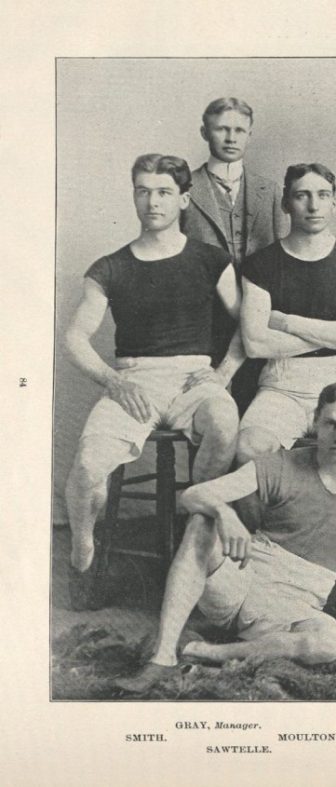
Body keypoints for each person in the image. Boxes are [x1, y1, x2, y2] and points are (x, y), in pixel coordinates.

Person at [113, 382, 336, 693]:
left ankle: (209, 652)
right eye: (330, 424)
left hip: (296, 604)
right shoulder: (281, 463)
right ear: (315, 420)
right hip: (241, 577)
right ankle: (163, 657)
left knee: (328, 643)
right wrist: (225, 514)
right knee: (201, 521)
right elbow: (193, 495)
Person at [63, 154, 244, 610]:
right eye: (142, 191)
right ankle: (83, 552)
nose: (152, 201)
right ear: (134, 197)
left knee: (224, 422)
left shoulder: (210, 259)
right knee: (87, 467)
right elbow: (75, 337)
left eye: (163, 192)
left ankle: (191, 532)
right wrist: (112, 380)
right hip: (134, 379)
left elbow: (249, 324)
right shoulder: (110, 267)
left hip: (193, 378)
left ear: (183, 199)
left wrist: (222, 374)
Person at [237, 163, 336, 469]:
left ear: (334, 202)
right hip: (282, 385)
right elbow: (255, 344)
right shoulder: (261, 265)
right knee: (250, 448)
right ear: (285, 204)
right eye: (302, 195)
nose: (314, 205)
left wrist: (288, 322)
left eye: (323, 195)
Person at [183, 97, 289, 413]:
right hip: (201, 321)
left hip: (256, 318)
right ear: (205, 132)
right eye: (222, 129)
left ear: (249, 135)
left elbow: (279, 257)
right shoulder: (184, 186)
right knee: (201, 412)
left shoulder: (268, 190)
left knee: (252, 409)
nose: (231, 138)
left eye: (239, 131)